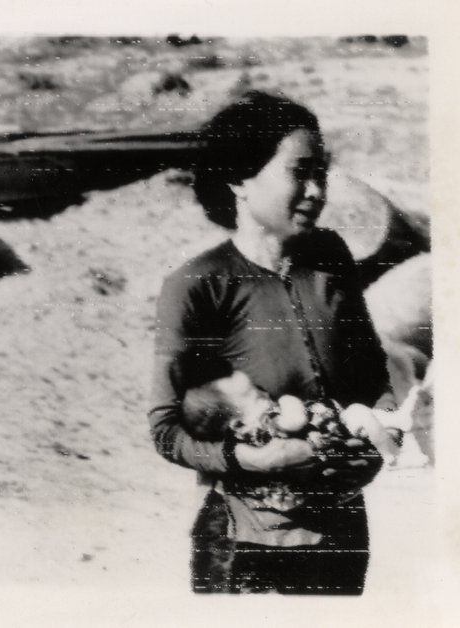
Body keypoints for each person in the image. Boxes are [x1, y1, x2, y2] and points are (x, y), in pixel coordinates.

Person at [148, 91, 396, 595]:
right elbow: (167, 430)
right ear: (240, 178)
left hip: (342, 535)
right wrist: (252, 461)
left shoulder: (331, 258)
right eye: (299, 172)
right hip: (246, 546)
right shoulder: (198, 286)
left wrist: (377, 430)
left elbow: (372, 379)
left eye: (321, 173)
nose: (316, 191)